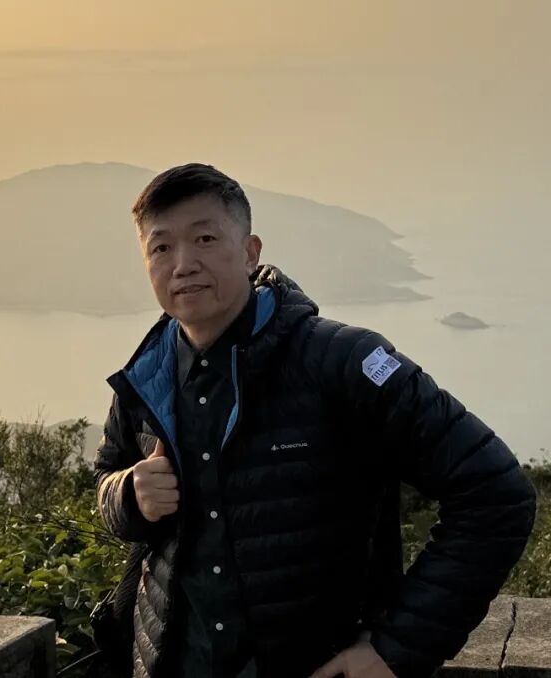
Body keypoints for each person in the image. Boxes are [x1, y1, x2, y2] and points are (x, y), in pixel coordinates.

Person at [93, 164, 536, 678]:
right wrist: (128, 494)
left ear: (251, 252)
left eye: (205, 238)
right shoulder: (146, 377)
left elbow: (495, 493)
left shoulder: (341, 362)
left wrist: (397, 647)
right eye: (161, 247)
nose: (183, 264)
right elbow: (106, 480)